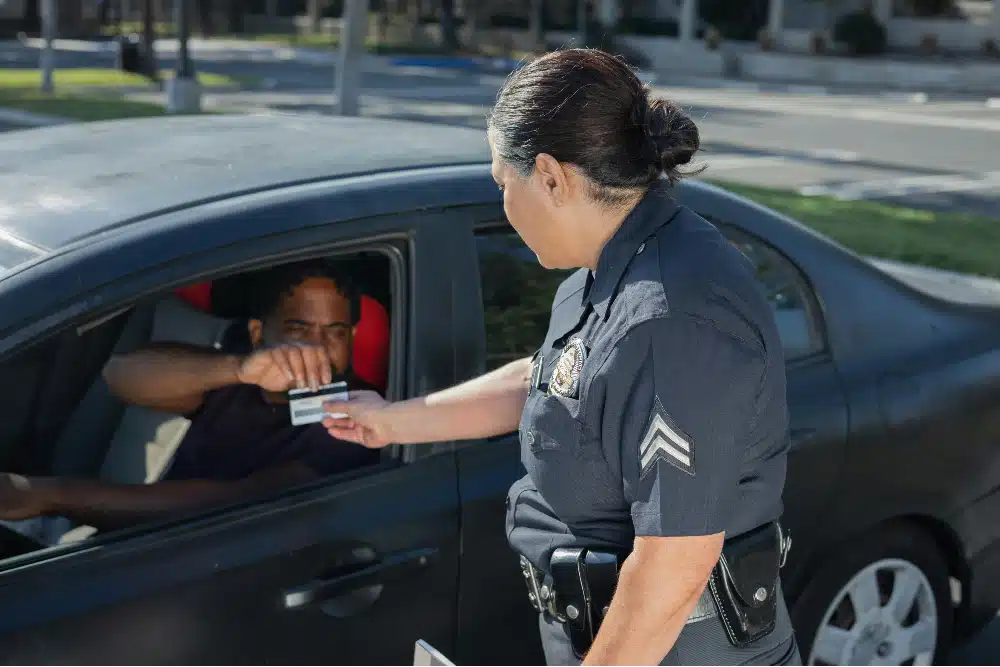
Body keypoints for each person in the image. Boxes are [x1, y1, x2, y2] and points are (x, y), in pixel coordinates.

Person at [323, 48, 801, 667]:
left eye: (503, 183)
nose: (502, 205)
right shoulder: (608, 267)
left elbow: (673, 562)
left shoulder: (669, 318)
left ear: (550, 176)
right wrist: (392, 420)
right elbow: (555, 381)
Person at [0, 260, 380, 534]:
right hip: (132, 540)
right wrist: (238, 369)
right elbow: (120, 376)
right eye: (298, 328)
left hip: (205, 561)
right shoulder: (242, 363)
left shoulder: (359, 412)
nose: (316, 347)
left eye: (335, 332)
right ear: (257, 333)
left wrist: (52, 494)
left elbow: (233, 503)